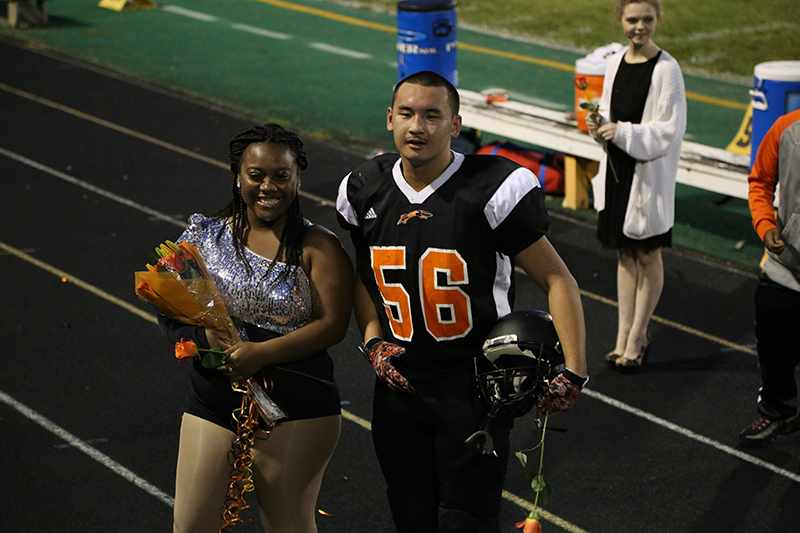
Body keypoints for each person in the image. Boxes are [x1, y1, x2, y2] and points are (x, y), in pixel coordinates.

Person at [335, 70, 587, 533]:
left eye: (433, 116)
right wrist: (373, 341)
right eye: (407, 114)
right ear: (389, 119)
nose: (418, 127)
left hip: (473, 389)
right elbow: (365, 276)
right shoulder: (365, 188)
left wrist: (573, 369)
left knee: (466, 522)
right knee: (409, 517)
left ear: (455, 125)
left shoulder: (491, 188)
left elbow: (559, 280)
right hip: (398, 388)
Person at [159, 123, 354, 532]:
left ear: (298, 177)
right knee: (190, 526)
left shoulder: (319, 246)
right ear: (237, 176)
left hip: (297, 407)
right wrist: (202, 339)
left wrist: (261, 354)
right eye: (256, 175)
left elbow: (333, 325)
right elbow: (170, 310)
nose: (269, 186)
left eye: (281, 175)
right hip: (213, 399)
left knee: (287, 523)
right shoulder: (204, 236)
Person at [586, 0, 686, 372]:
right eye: (632, 20)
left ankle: (638, 336)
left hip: (646, 176)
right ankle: (622, 335)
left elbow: (668, 130)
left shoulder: (668, 69)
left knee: (647, 254)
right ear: (620, 21)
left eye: (646, 19)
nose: (639, 27)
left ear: (658, 20)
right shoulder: (614, 62)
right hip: (617, 172)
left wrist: (622, 132)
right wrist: (599, 124)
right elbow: (610, 113)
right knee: (625, 255)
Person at [738, 108, 800, 448]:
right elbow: (760, 181)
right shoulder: (787, 128)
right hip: (785, 267)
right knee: (774, 346)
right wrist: (765, 225)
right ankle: (779, 412)